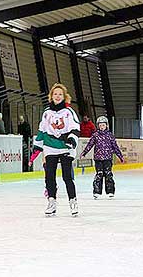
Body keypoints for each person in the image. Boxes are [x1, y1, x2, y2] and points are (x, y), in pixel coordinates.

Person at [32, 83, 80, 216]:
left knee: (67, 177)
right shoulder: (47, 113)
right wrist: (37, 146)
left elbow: (75, 127)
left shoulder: (69, 112)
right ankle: (51, 201)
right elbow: (42, 130)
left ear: (64, 97)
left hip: (65, 148)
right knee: (49, 176)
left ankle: (72, 201)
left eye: (60, 94)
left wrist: (71, 139)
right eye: (55, 94)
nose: (57, 96)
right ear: (51, 96)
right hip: (50, 147)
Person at [80, 115, 124, 199]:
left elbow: (115, 147)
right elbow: (90, 144)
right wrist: (84, 153)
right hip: (98, 159)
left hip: (108, 158)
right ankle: (97, 192)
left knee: (108, 174)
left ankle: (110, 191)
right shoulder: (95, 135)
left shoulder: (110, 135)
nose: (101, 127)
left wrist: (120, 156)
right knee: (99, 174)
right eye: (100, 125)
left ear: (106, 125)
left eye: (103, 125)